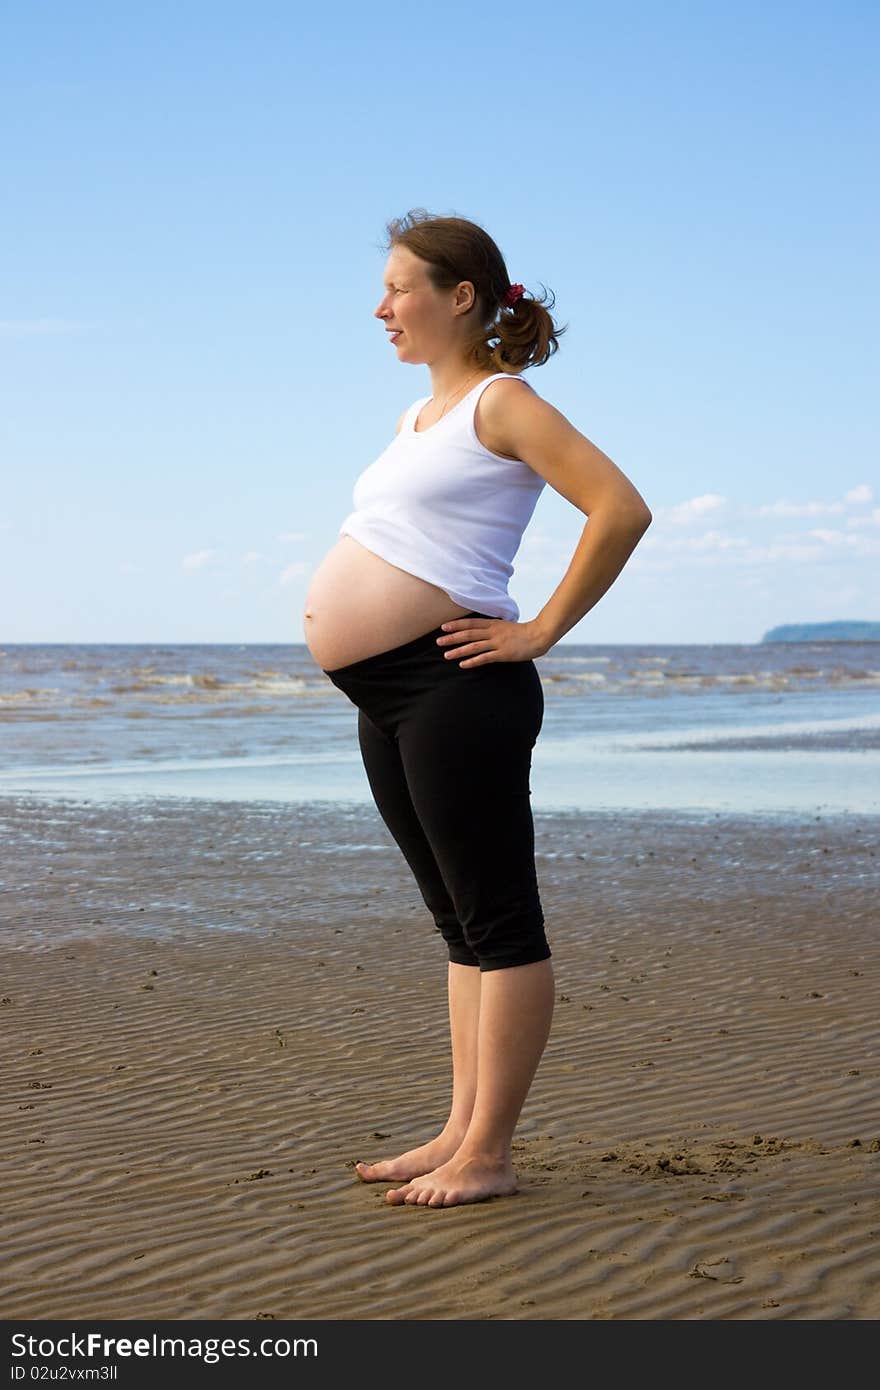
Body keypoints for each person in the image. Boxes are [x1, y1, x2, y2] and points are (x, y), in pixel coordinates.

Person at [304, 209, 652, 1208]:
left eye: (398, 287)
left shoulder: (502, 402)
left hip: (458, 686)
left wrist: (537, 629)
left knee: (500, 923)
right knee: (455, 922)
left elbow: (619, 507)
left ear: (459, 297)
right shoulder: (417, 419)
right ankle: (459, 1129)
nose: (381, 307)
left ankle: (490, 1155)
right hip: (390, 694)